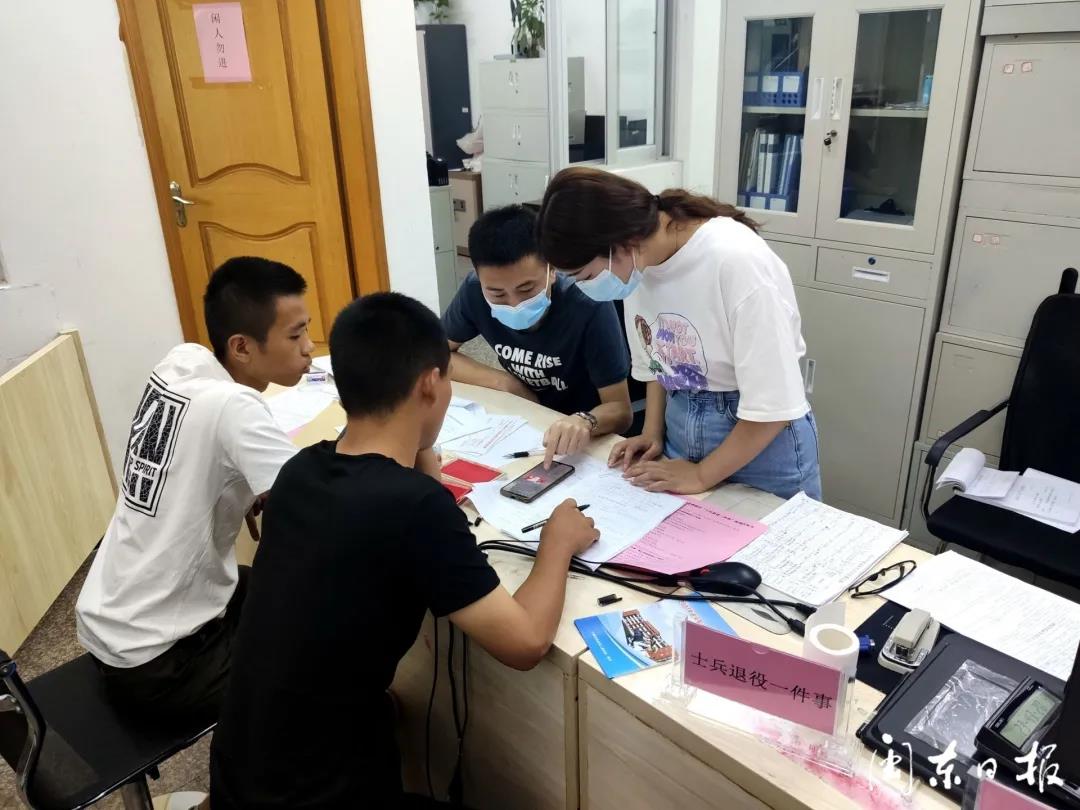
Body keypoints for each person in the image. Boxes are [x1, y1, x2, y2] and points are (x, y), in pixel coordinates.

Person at [209, 292, 599, 809]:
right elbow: (524, 643)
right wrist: (557, 542)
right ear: (430, 384)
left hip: (241, 777)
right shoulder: (412, 508)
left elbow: (395, 518)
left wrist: (420, 454)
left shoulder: (300, 471)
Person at [75, 256, 314, 724]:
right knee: (325, 666)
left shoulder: (183, 363)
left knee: (271, 590)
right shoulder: (235, 406)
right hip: (160, 663)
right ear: (241, 347)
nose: (308, 348)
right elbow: (323, 509)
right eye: (295, 336)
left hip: (111, 618)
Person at [537, 167, 821, 500]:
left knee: (761, 532)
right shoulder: (638, 265)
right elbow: (659, 360)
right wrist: (652, 432)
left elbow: (772, 407)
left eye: (585, 276)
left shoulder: (736, 260)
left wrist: (701, 475)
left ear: (619, 244)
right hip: (681, 419)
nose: (586, 288)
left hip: (757, 438)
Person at [443, 204, 632, 465]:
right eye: (497, 294)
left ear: (552, 270)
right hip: (523, 419)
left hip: (579, 433)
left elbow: (621, 411)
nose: (514, 303)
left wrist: (585, 421)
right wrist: (504, 382)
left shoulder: (587, 303)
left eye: (526, 289)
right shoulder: (474, 291)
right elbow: (434, 355)